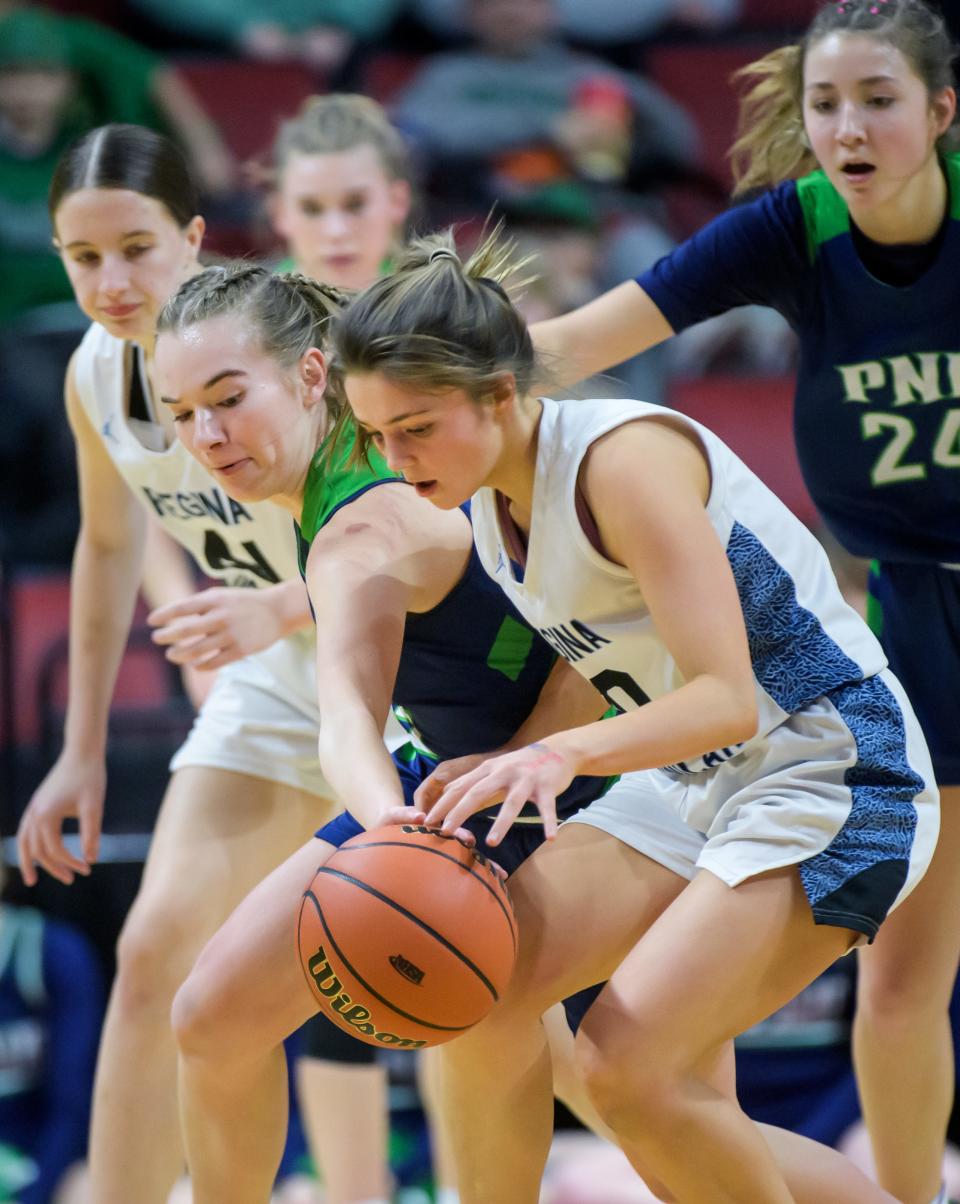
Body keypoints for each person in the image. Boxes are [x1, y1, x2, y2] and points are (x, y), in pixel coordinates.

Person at [324, 227, 938, 1204]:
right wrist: (506, 761)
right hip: (699, 784)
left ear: (499, 395)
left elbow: (722, 695)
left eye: (416, 427)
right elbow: (608, 671)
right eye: (377, 434)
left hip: (836, 769)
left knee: (626, 1066)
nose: (394, 458)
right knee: (480, 988)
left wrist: (561, 756)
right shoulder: (490, 504)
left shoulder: (623, 460)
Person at [148, 261, 712, 1204]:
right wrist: (402, 825)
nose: (206, 434)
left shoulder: (367, 518)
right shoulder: (364, 474)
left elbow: (354, 720)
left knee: (664, 1118)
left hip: (604, 782)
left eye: (227, 398)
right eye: (180, 411)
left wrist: (407, 832)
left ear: (312, 375)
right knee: (214, 1013)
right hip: (466, 784)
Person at [525, 2, 960, 1201]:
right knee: (907, 973)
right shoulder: (797, 226)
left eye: (878, 98)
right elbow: (569, 346)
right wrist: (416, 370)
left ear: (942, 109)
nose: (848, 127)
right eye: (827, 104)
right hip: (919, 610)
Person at [13, 123, 340, 1204]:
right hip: (279, 676)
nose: (111, 281)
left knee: (488, 1002)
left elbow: (444, 527)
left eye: (137, 248)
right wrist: (80, 751)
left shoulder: (297, 342)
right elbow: (108, 545)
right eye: (82, 255)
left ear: (195, 237)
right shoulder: (94, 371)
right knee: (158, 957)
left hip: (406, 671)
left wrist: (289, 602)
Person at [265, 92, 413, 291]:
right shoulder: (245, 314)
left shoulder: (441, 311)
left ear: (397, 201)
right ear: (280, 213)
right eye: (311, 208)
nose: (336, 231)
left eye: (355, 204)